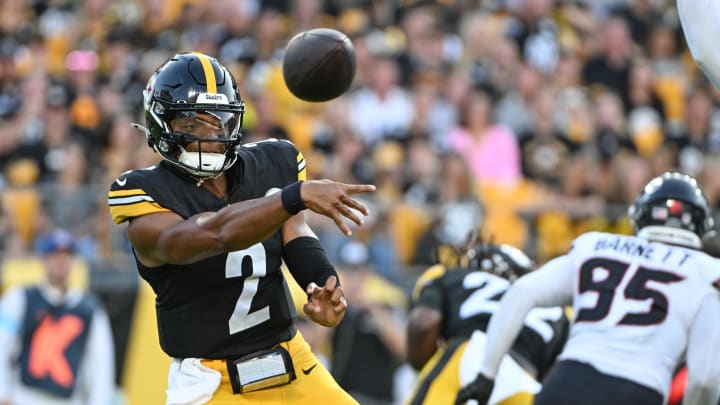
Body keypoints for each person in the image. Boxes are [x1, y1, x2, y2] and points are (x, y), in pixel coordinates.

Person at [106, 52, 375, 404]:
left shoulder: (275, 162)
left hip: (291, 359)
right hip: (211, 382)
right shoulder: (143, 192)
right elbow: (207, 235)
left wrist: (323, 283)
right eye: (191, 125)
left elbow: (294, 231)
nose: (209, 137)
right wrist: (291, 197)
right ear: (161, 124)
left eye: (217, 122)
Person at [458, 172, 720, 405]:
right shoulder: (706, 272)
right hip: (637, 390)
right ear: (701, 225)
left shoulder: (597, 246)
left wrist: (486, 375)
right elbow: (705, 379)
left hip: (565, 383)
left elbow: (521, 292)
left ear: (640, 215)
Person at [406, 239, 569, 405]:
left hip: (468, 355)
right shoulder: (559, 309)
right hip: (525, 382)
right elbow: (559, 373)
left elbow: (424, 323)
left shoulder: (452, 275)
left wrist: (423, 366)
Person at [0, 229, 116, 405]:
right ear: (44, 259)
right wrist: (3, 393)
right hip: (23, 396)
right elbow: (2, 345)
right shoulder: (20, 298)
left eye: (66, 256)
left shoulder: (89, 310)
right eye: (55, 255)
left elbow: (101, 364)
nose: (61, 262)